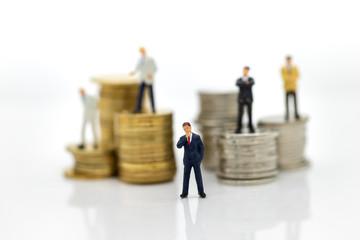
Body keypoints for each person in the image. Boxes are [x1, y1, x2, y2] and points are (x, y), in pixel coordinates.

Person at [176, 122, 206, 198]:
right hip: (187, 161)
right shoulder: (183, 138)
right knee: (186, 177)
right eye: (184, 129)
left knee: (198, 176)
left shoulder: (197, 137)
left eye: (187, 128)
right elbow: (178, 146)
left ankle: (201, 192)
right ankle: (184, 193)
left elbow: (201, 148)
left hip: (196, 160)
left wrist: (200, 158)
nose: (186, 129)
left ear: (190, 127)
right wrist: (185, 138)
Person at [130, 47, 157, 113]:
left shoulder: (150, 59)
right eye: (140, 51)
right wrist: (134, 72)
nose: (142, 52)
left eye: (142, 50)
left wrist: (151, 74)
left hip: (148, 79)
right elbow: (138, 67)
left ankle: (153, 108)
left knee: (150, 94)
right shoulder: (140, 59)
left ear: (145, 50)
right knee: (140, 94)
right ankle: (139, 107)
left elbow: (155, 68)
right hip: (142, 79)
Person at [235, 66, 255, 133]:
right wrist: (246, 83)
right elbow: (237, 83)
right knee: (240, 114)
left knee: (249, 114)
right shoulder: (240, 79)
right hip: (241, 99)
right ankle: (239, 127)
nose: (245, 72)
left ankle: (250, 127)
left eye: (246, 70)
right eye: (244, 70)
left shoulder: (251, 79)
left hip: (249, 99)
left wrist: (244, 84)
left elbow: (252, 83)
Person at [281, 56, 300, 120]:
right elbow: (283, 76)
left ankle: (296, 113)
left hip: (293, 86)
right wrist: (289, 78)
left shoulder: (294, 67)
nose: (288, 61)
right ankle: (287, 114)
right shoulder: (283, 68)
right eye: (287, 60)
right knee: (287, 102)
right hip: (287, 87)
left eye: (289, 60)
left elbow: (298, 75)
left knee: (295, 101)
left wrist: (293, 78)